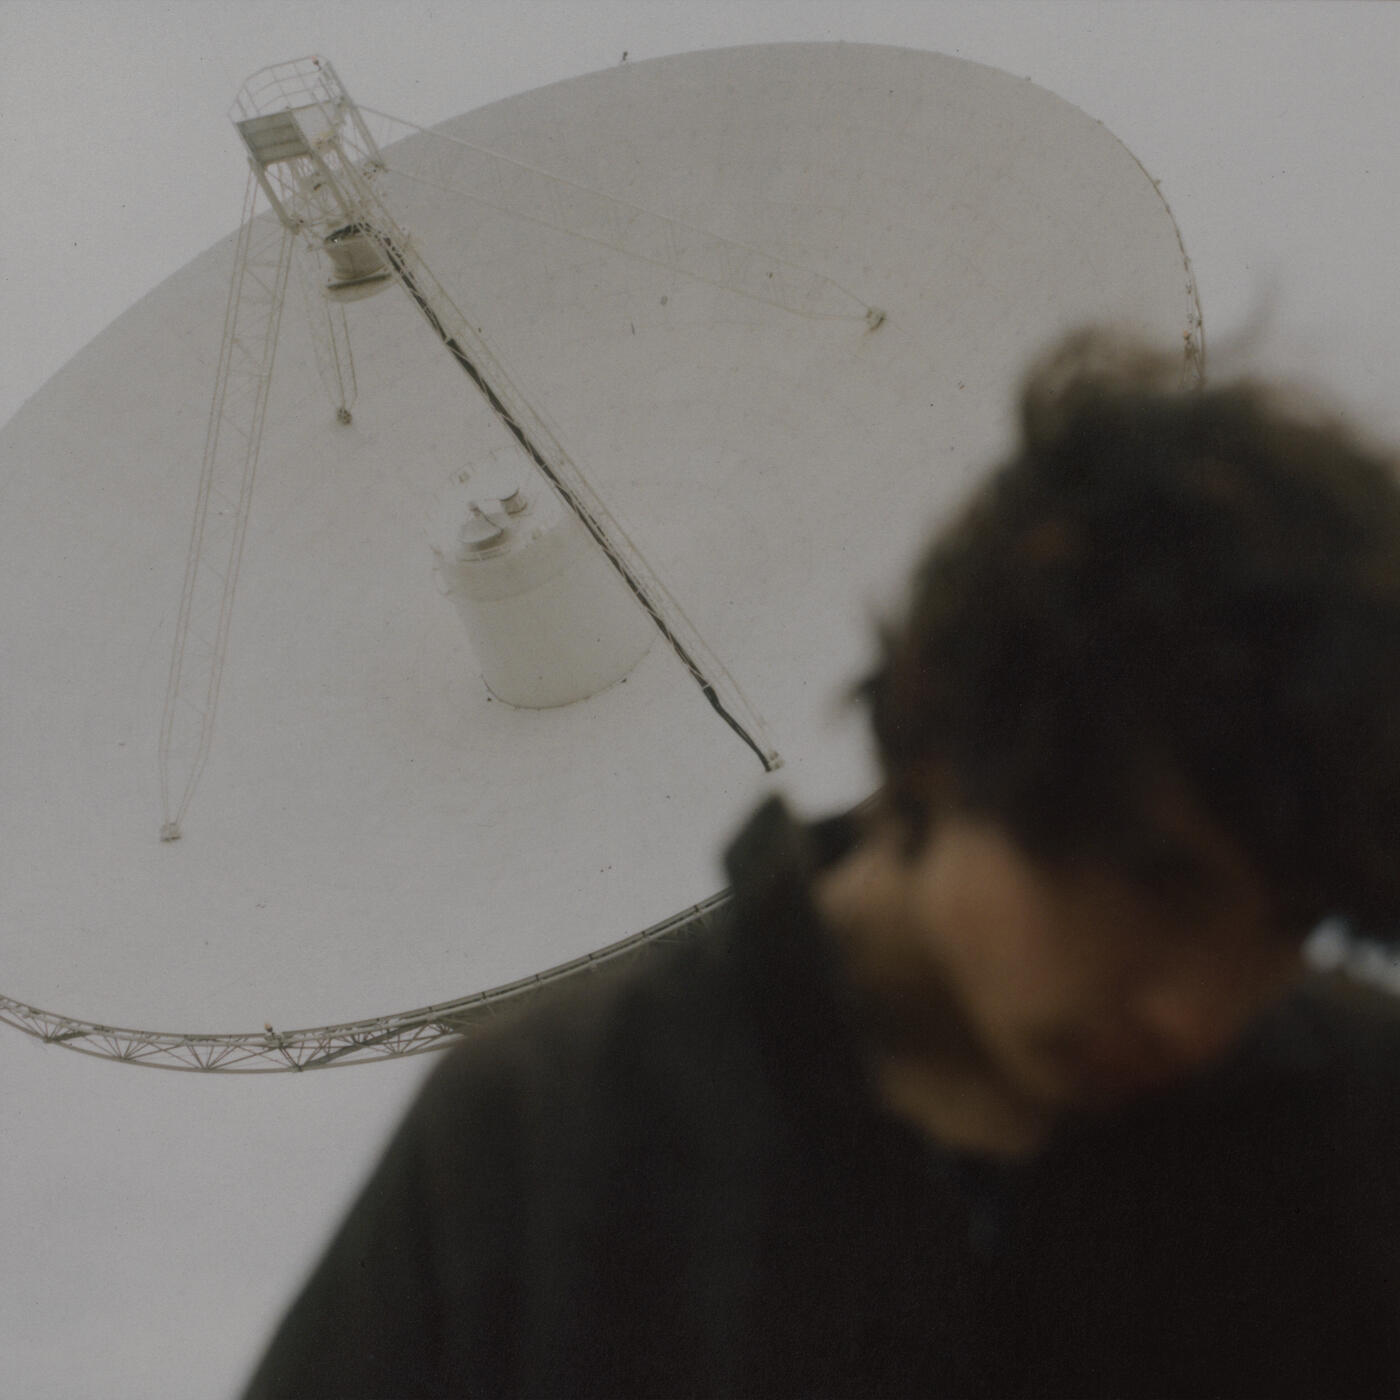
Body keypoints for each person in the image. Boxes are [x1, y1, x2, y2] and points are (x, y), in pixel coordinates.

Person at [243, 330, 1400, 1398]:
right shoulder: (538, 1147)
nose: (1193, 1013)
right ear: (950, 736)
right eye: (1153, 882)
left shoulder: (1356, 1130)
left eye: (1282, 924)